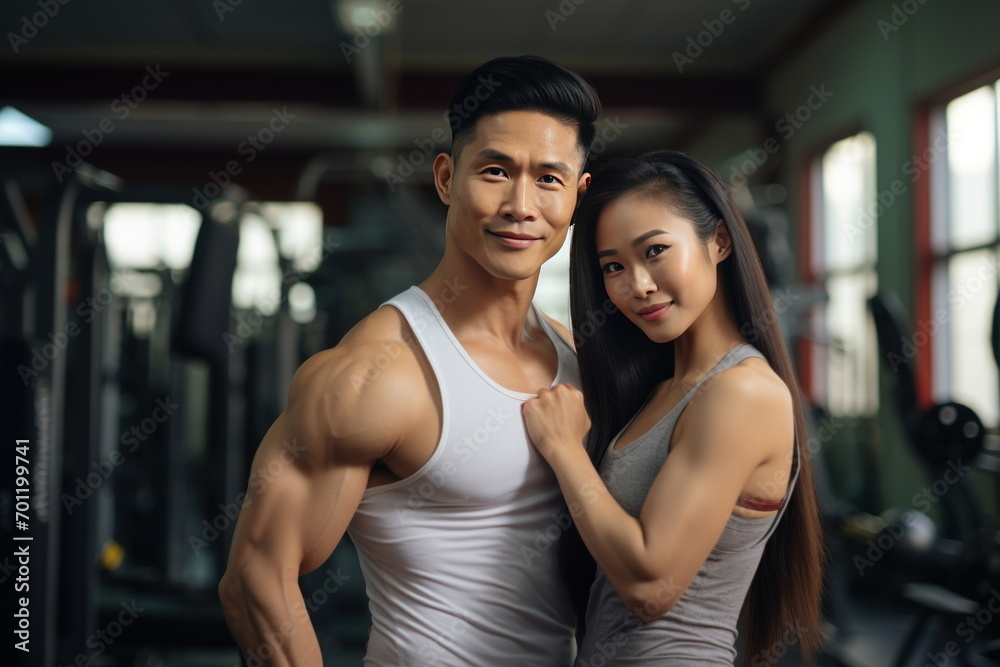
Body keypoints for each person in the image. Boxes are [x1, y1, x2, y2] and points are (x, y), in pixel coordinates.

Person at [218, 55, 601, 666]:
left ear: (577, 196)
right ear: (447, 178)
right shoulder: (377, 373)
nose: (521, 205)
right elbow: (255, 579)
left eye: (549, 179)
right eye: (496, 171)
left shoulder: (578, 358)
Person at [522, 150, 825, 665]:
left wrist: (563, 449)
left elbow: (651, 587)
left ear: (719, 241)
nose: (636, 285)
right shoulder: (664, 390)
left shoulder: (741, 392)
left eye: (656, 250)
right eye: (613, 267)